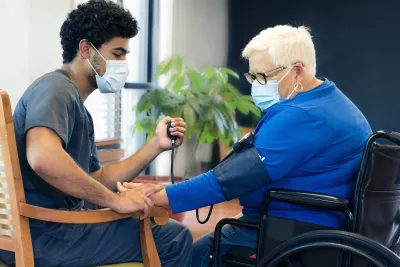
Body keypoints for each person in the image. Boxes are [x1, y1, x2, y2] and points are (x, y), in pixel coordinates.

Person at [119, 25, 372, 266]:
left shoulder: (301, 116)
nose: (256, 85)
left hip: (290, 232)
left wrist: (155, 196)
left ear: (297, 71)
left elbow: (228, 181)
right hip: (313, 228)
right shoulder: (331, 101)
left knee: (194, 253)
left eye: (264, 76)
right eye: (252, 76)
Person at [0, 1, 193, 266]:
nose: (123, 64)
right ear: (86, 50)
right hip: (47, 237)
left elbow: (96, 179)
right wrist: (115, 201)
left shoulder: (75, 105)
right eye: (117, 53)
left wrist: (155, 145)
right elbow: (43, 157)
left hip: (50, 234)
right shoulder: (56, 89)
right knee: (174, 237)